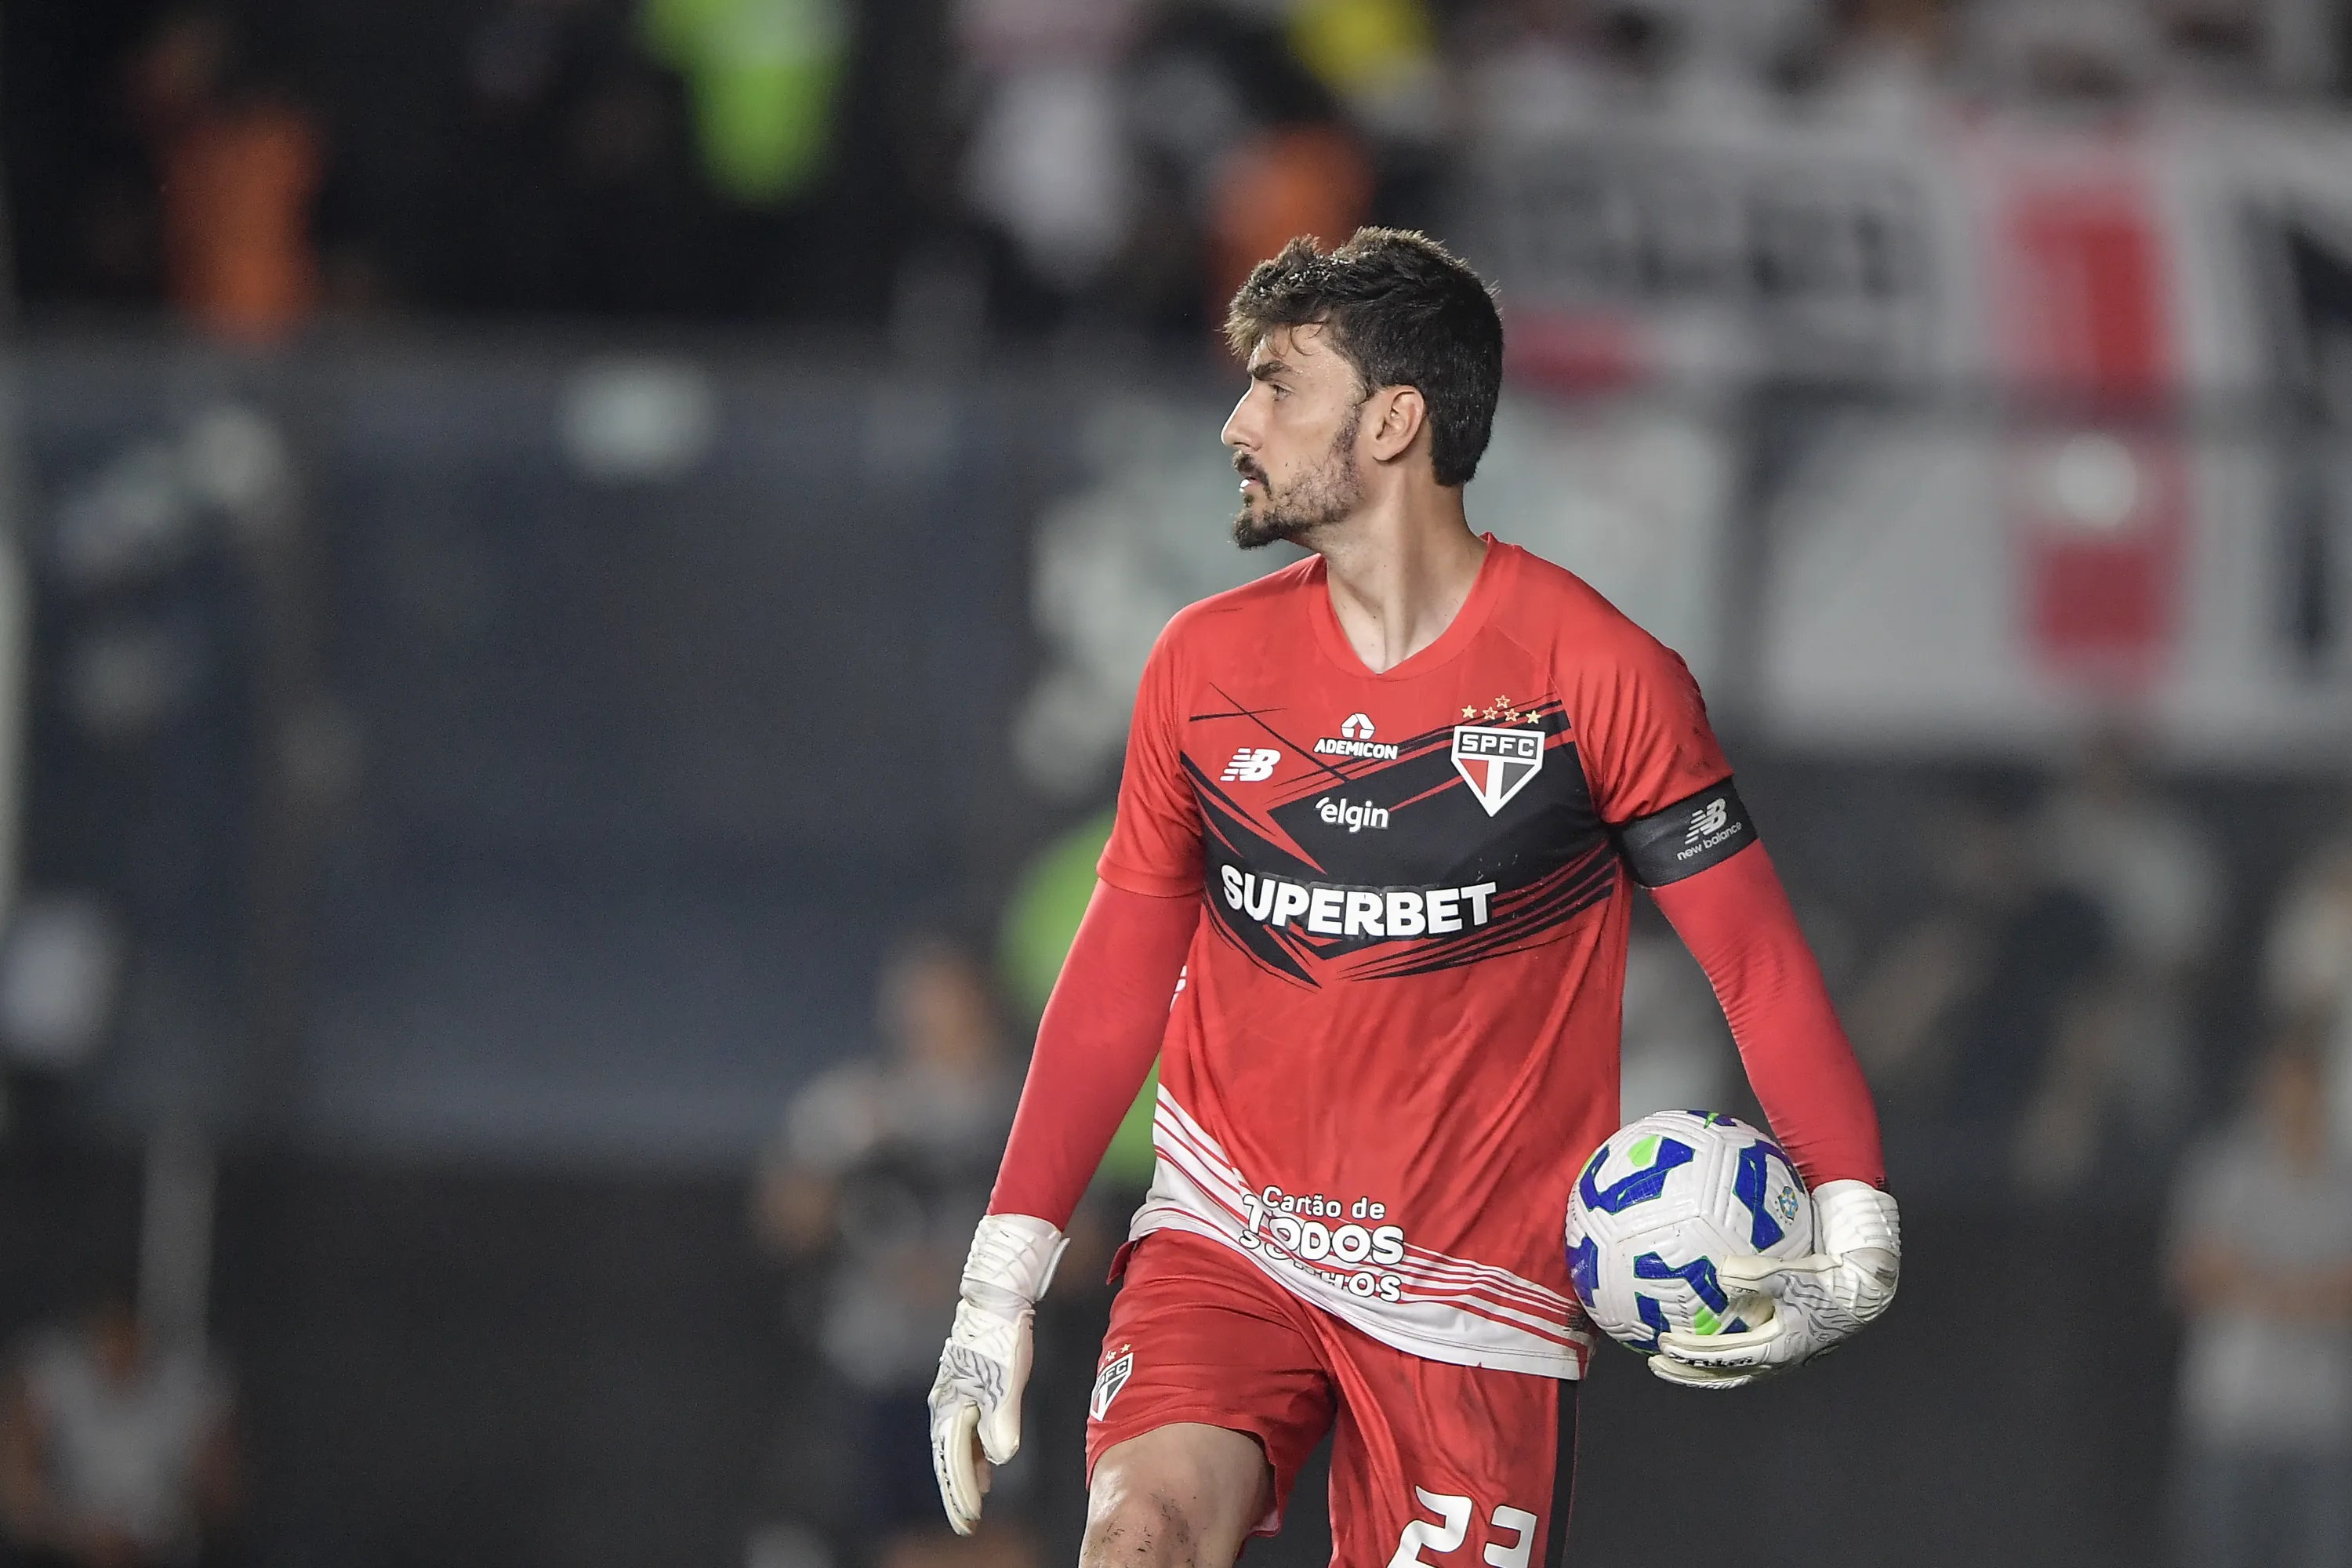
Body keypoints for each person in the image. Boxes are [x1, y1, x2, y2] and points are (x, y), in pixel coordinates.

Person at [926, 230, 1900, 1568]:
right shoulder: (1200, 665)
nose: (1236, 423)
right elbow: (1113, 977)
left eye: (1277, 387)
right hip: (1230, 1235)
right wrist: (1003, 1277)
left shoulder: (1600, 674)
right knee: (1141, 1535)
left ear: (1392, 421)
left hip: (1475, 1296)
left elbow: (1758, 969)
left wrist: (1856, 1227)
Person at [753, 935, 1027, 1568]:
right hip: (873, 1375)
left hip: (996, 1374)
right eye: (915, 994)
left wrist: (975, 1276)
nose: (925, 1011)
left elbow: (1092, 1243)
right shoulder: (858, 1105)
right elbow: (785, 1220)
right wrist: (839, 1169)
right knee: (878, 1538)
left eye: (943, 993)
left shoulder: (1024, 1108)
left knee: (993, 1535)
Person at [2166, 1033, 2352, 1568]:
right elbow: (2197, 1277)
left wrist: (2254, 1285)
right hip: (2231, 1416)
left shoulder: (2344, 1180)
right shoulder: (2224, 1169)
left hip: (2321, 1424)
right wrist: (2307, 1293)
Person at [0, 1290, 239, 1568]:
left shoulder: (190, 1385)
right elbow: (15, 1482)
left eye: (129, 1336)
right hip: (67, 1539)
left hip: (162, 1542)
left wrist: (165, 1531)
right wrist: (73, 1534)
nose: (120, 1350)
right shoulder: (52, 1376)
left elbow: (224, 1490)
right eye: (110, 1336)